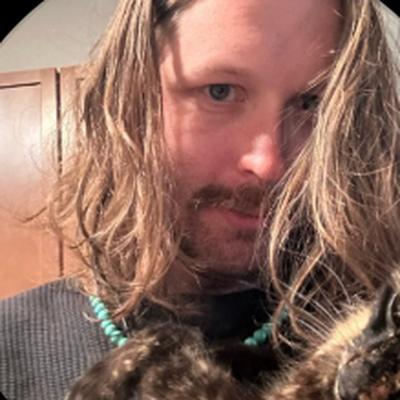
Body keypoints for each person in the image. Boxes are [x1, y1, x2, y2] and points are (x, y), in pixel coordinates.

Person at [1, 0, 399, 399]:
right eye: (220, 92)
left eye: (312, 103)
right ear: (128, 98)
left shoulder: (378, 346)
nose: (268, 165)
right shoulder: (10, 347)